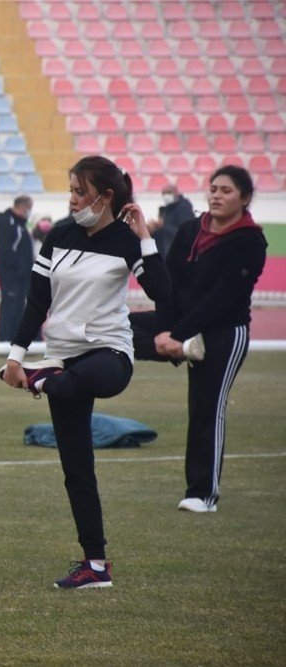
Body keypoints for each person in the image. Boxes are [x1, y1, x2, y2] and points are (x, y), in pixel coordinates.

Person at [0, 155, 169, 589]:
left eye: (80, 191)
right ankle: (95, 565)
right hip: (60, 361)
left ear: (106, 196)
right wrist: (16, 358)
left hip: (109, 353)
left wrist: (145, 237)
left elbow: (165, 296)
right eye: (70, 190)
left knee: (92, 377)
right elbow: (36, 303)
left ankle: (45, 381)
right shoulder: (58, 234)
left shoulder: (126, 240)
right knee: (77, 467)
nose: (72, 199)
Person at [130, 166, 266, 513]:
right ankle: (179, 350)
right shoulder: (191, 229)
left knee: (207, 409)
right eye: (213, 188)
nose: (217, 195)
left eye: (227, 190)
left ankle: (202, 494)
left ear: (245, 198)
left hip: (223, 331)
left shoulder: (250, 241)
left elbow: (223, 298)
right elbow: (170, 285)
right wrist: (165, 330)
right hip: (181, 325)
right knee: (118, 328)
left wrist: (177, 334)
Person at [0, 195, 34, 342]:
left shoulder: (20, 224)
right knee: (9, 306)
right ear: (22, 206)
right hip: (10, 275)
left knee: (18, 306)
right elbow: (6, 250)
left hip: (21, 275)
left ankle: (13, 337)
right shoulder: (8, 222)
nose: (29, 212)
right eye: (29, 208)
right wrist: (20, 266)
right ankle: (3, 338)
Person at [147, 182, 195, 260]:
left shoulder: (184, 208)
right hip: (164, 253)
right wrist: (151, 229)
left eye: (169, 192)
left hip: (179, 254)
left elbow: (186, 233)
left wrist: (163, 227)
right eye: (164, 193)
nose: (166, 195)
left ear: (176, 193)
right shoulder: (164, 210)